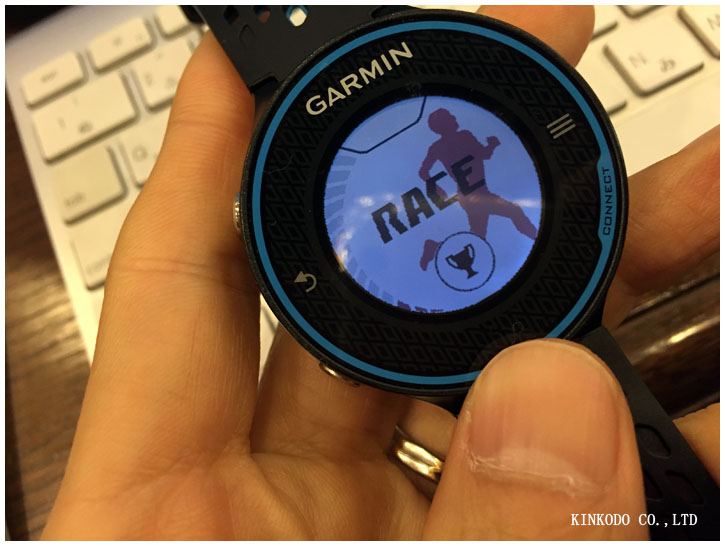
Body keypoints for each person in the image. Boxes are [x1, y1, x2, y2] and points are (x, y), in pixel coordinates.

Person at [41, 6, 719, 540]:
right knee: (508, 219)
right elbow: (434, 167)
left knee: (511, 217)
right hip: (477, 283)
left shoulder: (458, 137)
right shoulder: (440, 145)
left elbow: (472, 153)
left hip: (497, 249)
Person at [418, 108, 537, 271]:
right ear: (444, 124)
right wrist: (492, 145)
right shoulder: (463, 136)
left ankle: (434, 247)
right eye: (450, 117)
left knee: (477, 237)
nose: (454, 117)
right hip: (476, 195)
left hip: (472, 195)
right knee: (513, 211)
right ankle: (537, 239)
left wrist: (436, 187)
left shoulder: (438, 146)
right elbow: (484, 154)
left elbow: (423, 172)